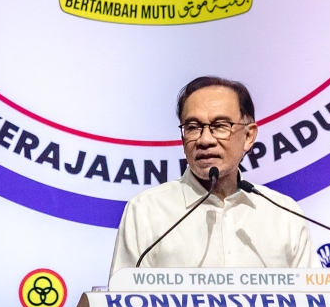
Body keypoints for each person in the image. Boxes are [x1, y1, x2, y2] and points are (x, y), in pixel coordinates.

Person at [109, 76, 314, 275]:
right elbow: (121, 304)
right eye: (192, 127)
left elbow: (316, 304)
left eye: (220, 126)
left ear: (249, 136)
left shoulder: (284, 214)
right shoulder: (147, 210)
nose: (205, 140)